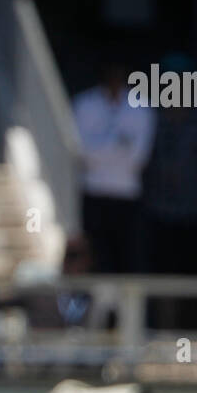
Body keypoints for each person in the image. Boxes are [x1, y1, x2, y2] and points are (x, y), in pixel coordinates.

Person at [72, 63, 155, 273]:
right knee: (97, 259)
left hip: (127, 194)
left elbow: (138, 159)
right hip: (94, 191)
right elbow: (83, 153)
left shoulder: (141, 107)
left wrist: (100, 147)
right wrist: (118, 144)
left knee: (128, 259)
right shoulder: (84, 104)